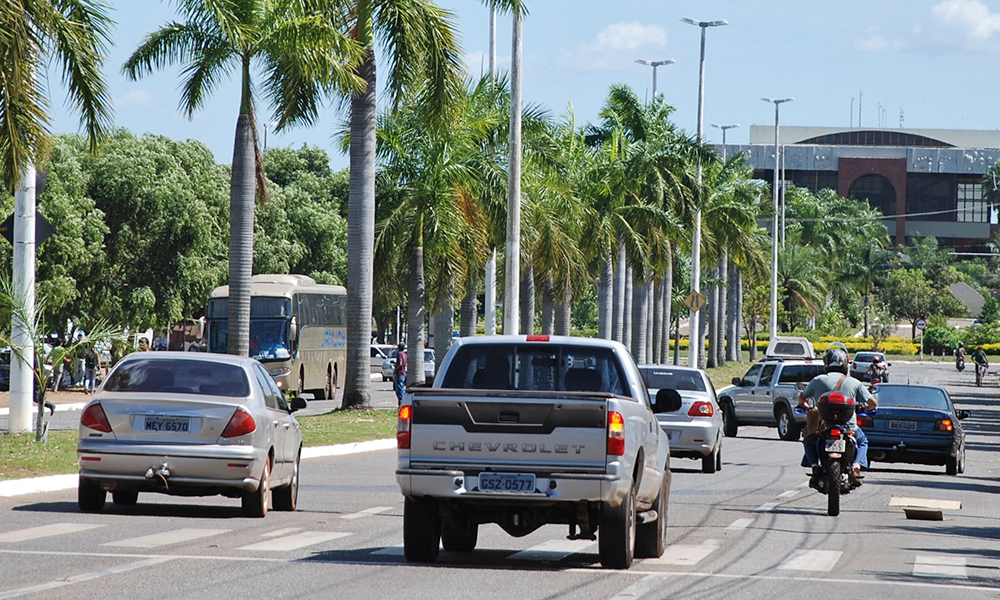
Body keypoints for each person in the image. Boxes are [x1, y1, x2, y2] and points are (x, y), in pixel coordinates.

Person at [798, 347, 877, 488]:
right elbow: (872, 403)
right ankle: (857, 466)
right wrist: (864, 409)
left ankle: (815, 466)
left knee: (808, 440)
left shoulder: (818, 380)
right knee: (863, 441)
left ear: (827, 364)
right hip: (849, 427)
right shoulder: (854, 382)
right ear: (845, 364)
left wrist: (806, 407)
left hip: (823, 426)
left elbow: (802, 398)